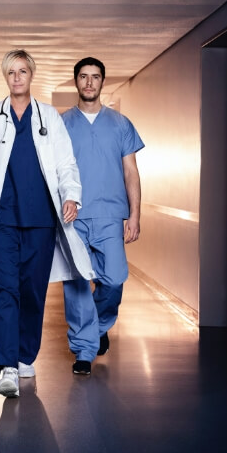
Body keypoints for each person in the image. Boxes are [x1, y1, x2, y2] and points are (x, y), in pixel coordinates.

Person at [0, 49, 95, 398]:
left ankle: (24, 354)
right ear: (6, 77)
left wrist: (70, 196)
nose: (17, 78)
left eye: (22, 71)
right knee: (7, 291)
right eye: (11, 72)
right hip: (0, 221)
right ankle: (6, 365)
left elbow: (66, 164)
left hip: (41, 221)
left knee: (32, 292)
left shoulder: (49, 117)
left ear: (31, 75)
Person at [62, 57, 144, 367]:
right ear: (76, 82)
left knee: (113, 281)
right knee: (78, 284)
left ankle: (97, 327)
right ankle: (84, 350)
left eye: (95, 77)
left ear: (102, 82)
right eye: (83, 77)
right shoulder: (62, 124)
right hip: (73, 218)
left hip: (111, 216)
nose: (89, 83)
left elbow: (131, 172)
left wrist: (135, 214)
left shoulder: (120, 124)